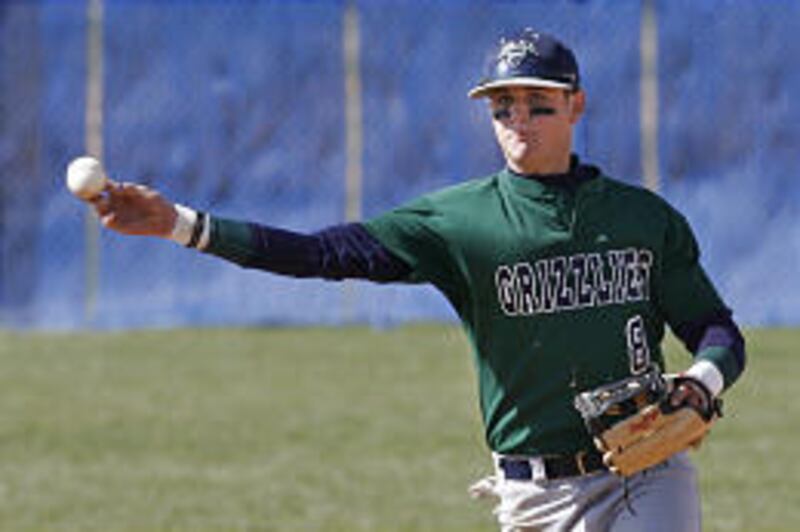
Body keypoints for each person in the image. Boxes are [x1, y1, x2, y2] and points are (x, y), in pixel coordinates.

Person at [90, 29, 745, 531]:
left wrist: (699, 379)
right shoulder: (459, 221)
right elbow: (324, 254)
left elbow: (716, 331)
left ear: (576, 106)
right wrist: (178, 222)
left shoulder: (641, 218)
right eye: (503, 106)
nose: (518, 120)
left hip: (645, 475)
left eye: (538, 105)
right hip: (535, 494)